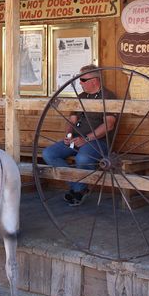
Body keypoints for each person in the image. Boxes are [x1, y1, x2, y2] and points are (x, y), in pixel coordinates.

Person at [42, 65, 117, 206]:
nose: (80, 83)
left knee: (82, 157)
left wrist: (86, 139)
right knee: (49, 153)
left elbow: (109, 125)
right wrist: (69, 135)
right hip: (76, 140)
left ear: (94, 80)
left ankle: (78, 190)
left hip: (98, 142)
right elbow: (72, 121)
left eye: (82, 80)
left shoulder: (108, 97)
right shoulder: (81, 97)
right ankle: (79, 188)